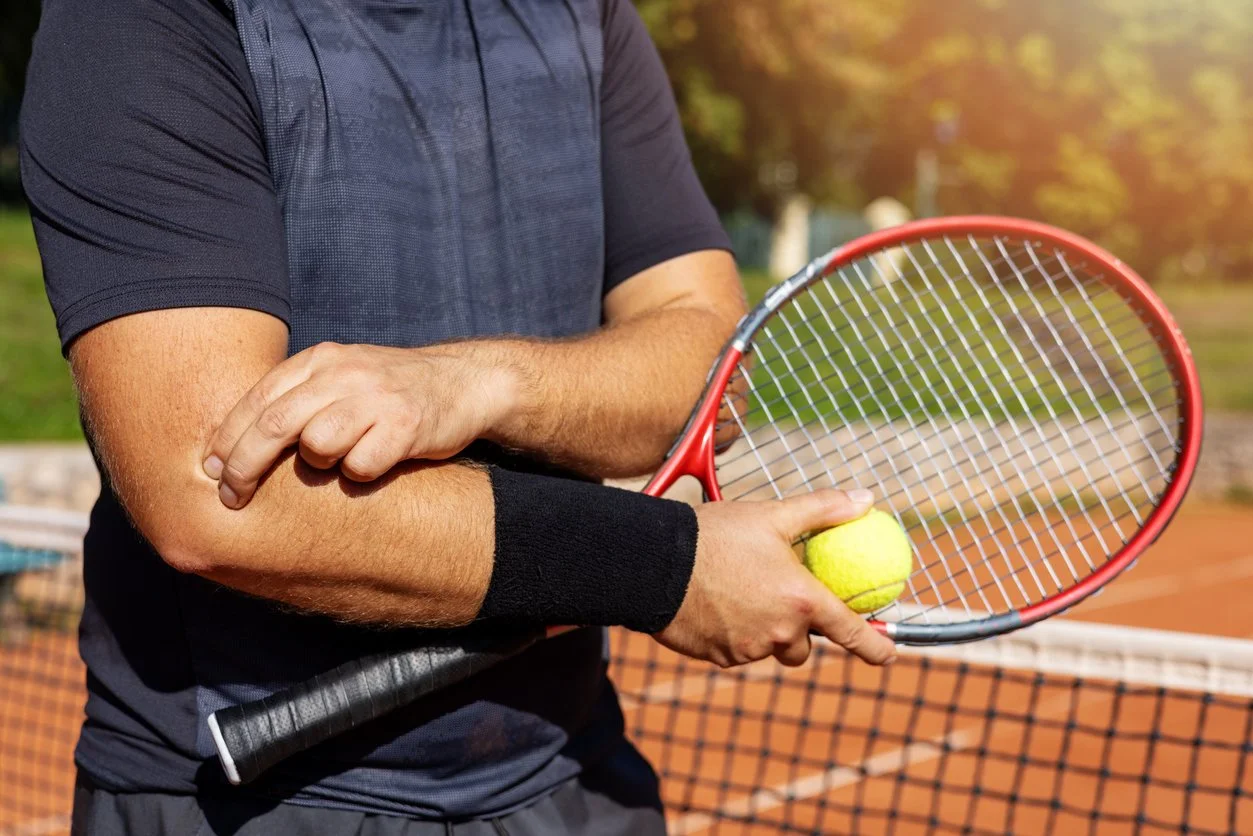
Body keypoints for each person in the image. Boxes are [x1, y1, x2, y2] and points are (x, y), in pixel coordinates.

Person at [20, 0, 897, 832]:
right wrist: (659, 568)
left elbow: (711, 361)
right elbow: (210, 495)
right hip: (244, 799)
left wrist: (481, 381)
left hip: (569, 773)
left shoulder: (583, 13)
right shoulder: (143, 21)